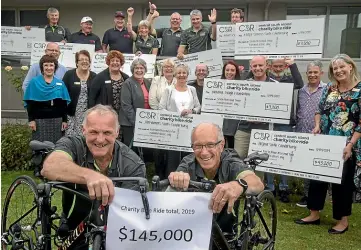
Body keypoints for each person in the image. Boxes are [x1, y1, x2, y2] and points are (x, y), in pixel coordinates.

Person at [41, 104, 146, 249]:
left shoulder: (133, 163)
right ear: (83, 131)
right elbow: (50, 166)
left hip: (113, 222)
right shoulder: (72, 144)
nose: (100, 139)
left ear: (117, 132)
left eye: (107, 133)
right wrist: (89, 176)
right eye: (94, 132)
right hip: (75, 217)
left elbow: (132, 214)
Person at [295, 54, 361, 234]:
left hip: (347, 145)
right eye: (335, 68)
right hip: (325, 141)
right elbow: (319, 110)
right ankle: (314, 213)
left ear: (350, 67)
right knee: (317, 177)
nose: (338, 71)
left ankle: (342, 220)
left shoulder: (360, 90)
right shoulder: (330, 88)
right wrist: (317, 126)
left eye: (342, 67)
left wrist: (351, 144)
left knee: (342, 183)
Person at [168, 122, 264, 235]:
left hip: (225, 232)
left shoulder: (231, 162)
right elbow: (178, 176)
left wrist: (237, 185)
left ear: (221, 145)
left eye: (210, 145)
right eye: (198, 146)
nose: (204, 152)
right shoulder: (188, 162)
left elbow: (257, 183)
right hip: (195, 230)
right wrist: (177, 177)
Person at [264, 57, 304, 202]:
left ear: (285, 66)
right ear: (270, 66)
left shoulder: (289, 79)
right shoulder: (266, 79)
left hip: (285, 123)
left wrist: (293, 65)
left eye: (281, 66)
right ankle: (269, 187)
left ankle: (283, 187)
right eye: (276, 66)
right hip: (269, 122)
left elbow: (300, 83)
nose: (278, 68)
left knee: (284, 155)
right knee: (268, 155)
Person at [159, 64, 201, 176]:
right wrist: (176, 116)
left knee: (188, 154)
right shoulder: (169, 90)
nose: (181, 75)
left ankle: (188, 178)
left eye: (184, 73)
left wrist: (191, 111)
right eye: (179, 73)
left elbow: (198, 107)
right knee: (173, 155)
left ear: (187, 75)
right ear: (175, 75)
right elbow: (161, 108)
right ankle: (171, 178)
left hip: (189, 128)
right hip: (172, 128)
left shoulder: (192, 90)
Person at [295, 60, 326, 208]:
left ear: (321, 73)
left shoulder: (327, 90)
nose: (312, 75)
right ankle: (307, 195)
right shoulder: (301, 91)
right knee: (305, 166)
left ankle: (315, 197)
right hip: (301, 132)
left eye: (315, 72)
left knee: (317, 166)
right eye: (310, 72)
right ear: (306, 74)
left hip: (318, 134)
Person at [23, 55, 70, 143]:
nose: (49, 68)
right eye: (46, 65)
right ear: (42, 67)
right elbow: (30, 103)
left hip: (57, 121)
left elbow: (63, 105)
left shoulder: (60, 83)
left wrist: (64, 120)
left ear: (55, 67)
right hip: (39, 121)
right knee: (39, 147)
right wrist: (31, 120)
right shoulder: (34, 82)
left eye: (51, 65)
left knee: (56, 148)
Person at [149, 59, 176, 179]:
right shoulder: (156, 80)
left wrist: (173, 115)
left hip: (175, 120)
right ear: (162, 69)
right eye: (166, 67)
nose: (168, 69)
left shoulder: (178, 79)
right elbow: (152, 100)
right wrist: (162, 114)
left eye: (171, 67)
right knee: (158, 148)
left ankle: (170, 174)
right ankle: (158, 174)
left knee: (172, 148)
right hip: (159, 118)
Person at [63, 50, 97, 136]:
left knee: (86, 139)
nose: (85, 61)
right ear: (77, 63)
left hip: (89, 116)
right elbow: (62, 96)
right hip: (71, 116)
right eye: (81, 59)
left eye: (87, 60)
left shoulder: (94, 76)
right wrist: (63, 118)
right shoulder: (69, 75)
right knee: (71, 140)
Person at [121, 58, 151, 148]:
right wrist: (136, 122)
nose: (139, 70)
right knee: (131, 150)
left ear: (145, 70)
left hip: (144, 121)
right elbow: (126, 106)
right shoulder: (128, 83)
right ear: (132, 70)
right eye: (136, 68)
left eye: (141, 68)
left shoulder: (148, 82)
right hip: (130, 123)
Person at [88, 50, 129, 115]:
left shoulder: (126, 77)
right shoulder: (100, 77)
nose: (115, 63)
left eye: (117, 61)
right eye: (112, 60)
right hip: (104, 114)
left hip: (122, 115)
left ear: (121, 63)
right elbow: (92, 98)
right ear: (108, 62)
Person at [221, 61, 241, 149]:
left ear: (236, 72)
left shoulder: (242, 86)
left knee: (233, 150)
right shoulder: (216, 85)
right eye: (227, 70)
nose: (229, 72)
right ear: (223, 71)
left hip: (235, 124)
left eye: (232, 70)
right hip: (220, 123)